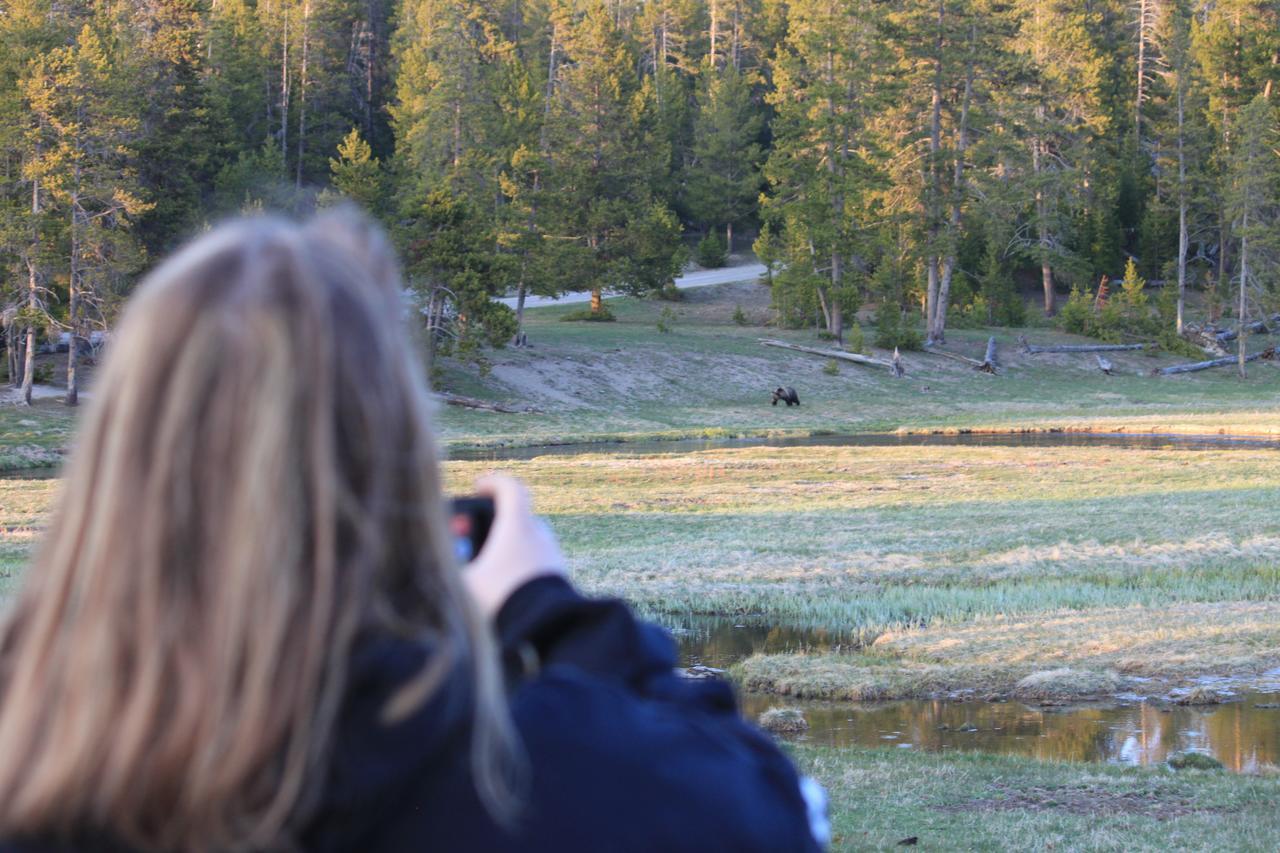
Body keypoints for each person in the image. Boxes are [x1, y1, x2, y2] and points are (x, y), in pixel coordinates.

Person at [0, 211, 825, 852]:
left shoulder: (31, 757)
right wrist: (557, 616)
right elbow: (771, 815)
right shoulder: (513, 770)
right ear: (393, 462)